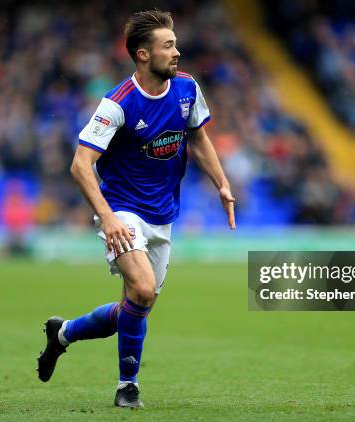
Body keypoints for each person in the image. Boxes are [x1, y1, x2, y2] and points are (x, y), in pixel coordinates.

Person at [36, 10, 236, 409]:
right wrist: (108, 217)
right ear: (143, 55)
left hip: (164, 215)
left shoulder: (187, 89)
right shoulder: (117, 104)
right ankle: (128, 386)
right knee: (142, 289)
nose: (177, 52)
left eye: (175, 44)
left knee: (136, 306)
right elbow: (80, 164)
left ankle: (63, 334)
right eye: (168, 46)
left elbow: (197, 138)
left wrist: (223, 183)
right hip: (123, 212)